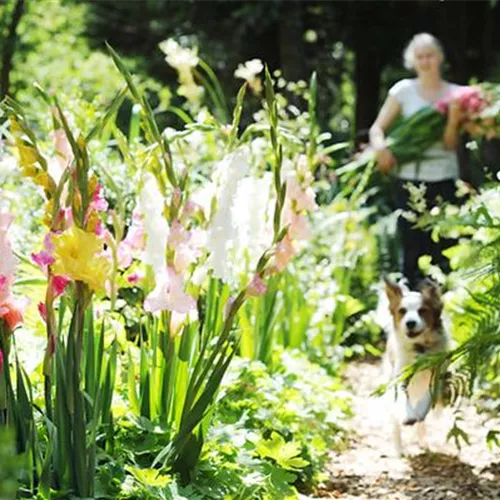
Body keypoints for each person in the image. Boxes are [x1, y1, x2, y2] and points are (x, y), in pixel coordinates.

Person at [369, 33, 463, 289]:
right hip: (408, 178)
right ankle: (408, 306)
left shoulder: (456, 95)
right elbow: (376, 130)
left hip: (443, 176)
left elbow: (450, 145)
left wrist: (453, 121)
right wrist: (381, 148)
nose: (425, 61)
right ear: (412, 60)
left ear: (440, 57)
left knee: (443, 246)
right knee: (411, 247)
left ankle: (442, 308)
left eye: (430, 55)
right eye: (420, 56)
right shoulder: (403, 91)